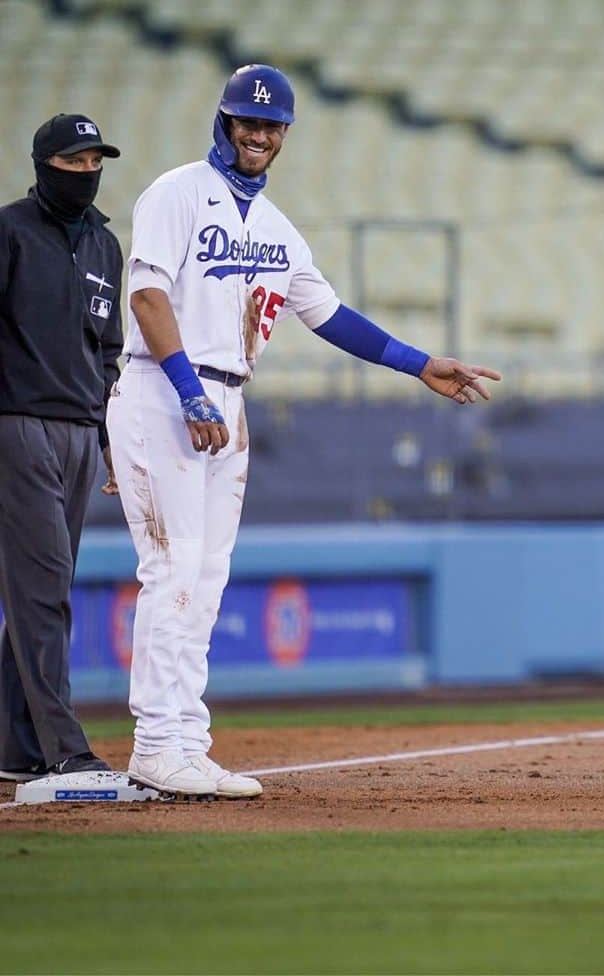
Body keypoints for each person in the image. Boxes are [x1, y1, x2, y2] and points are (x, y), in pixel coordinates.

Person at [107, 64, 501, 799]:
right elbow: (147, 293)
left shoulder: (277, 229)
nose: (257, 134)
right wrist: (191, 392)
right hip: (166, 389)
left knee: (207, 575)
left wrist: (420, 365)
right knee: (174, 567)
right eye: (246, 121)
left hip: (228, 401)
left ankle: (186, 739)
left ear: (285, 134)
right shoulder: (177, 192)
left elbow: (331, 315)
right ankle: (157, 742)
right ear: (224, 123)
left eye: (271, 125)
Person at [0, 114, 123, 782]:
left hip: (80, 431)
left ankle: (15, 749)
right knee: (43, 587)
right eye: (72, 163)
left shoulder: (106, 247)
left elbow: (107, 349)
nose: (84, 173)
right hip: (17, 423)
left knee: (39, 589)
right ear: (44, 164)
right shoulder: (9, 229)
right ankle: (64, 750)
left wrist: (111, 438)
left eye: (93, 162)